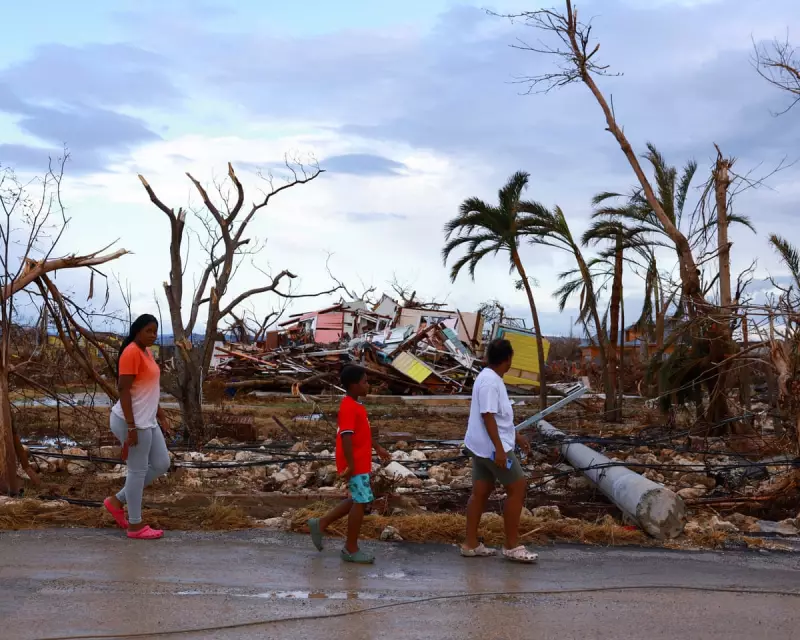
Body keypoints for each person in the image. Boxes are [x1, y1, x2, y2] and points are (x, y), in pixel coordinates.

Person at [461, 338, 538, 563]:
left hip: (481, 447)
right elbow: (488, 416)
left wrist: (517, 436)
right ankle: (512, 545)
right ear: (508, 360)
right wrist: (501, 450)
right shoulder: (490, 383)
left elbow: (499, 417)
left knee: (481, 492)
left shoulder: (488, 378)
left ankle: (470, 543)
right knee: (517, 487)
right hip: (492, 449)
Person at [307, 365, 390, 564]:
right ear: (353, 385)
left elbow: (363, 433)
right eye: (365, 382)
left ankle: (321, 523)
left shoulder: (356, 405)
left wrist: (378, 448)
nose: (368, 385)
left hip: (360, 461)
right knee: (361, 502)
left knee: (357, 500)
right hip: (355, 463)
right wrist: (351, 465)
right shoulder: (348, 407)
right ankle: (350, 548)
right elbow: (345, 437)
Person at [103, 314, 172, 540]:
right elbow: (124, 390)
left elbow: (148, 390)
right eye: (148, 331)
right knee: (137, 470)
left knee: (162, 463)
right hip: (132, 421)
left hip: (147, 420)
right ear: (137, 331)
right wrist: (131, 428)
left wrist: (161, 415)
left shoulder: (146, 351)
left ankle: (117, 501)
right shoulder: (131, 352)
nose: (152, 335)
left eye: (155, 331)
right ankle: (135, 526)